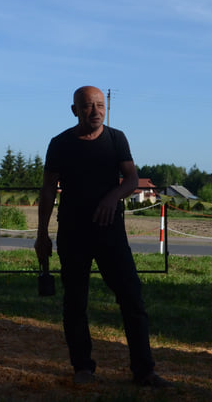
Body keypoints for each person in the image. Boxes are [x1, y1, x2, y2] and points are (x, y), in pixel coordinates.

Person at [34, 86, 170, 387]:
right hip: (72, 232)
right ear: (74, 110)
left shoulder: (116, 139)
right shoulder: (60, 144)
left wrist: (113, 197)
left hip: (111, 233)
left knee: (132, 297)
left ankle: (144, 371)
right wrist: (41, 234)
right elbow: (47, 190)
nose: (94, 111)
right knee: (75, 301)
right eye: (87, 106)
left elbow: (132, 179)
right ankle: (82, 367)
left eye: (100, 105)